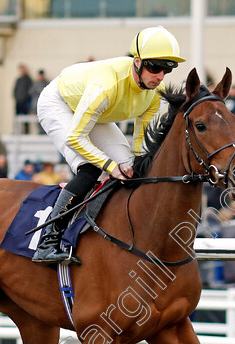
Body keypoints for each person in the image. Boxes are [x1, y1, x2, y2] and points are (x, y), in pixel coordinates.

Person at [32, 26, 184, 265]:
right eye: (155, 67)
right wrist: (109, 165)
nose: (160, 76)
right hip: (59, 103)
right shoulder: (107, 85)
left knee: (129, 168)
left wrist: (129, 165)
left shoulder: (156, 92)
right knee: (91, 169)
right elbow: (75, 138)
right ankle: (48, 241)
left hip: (95, 112)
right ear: (137, 62)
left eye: (167, 69)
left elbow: (140, 138)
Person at [13, 65, 33, 133]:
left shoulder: (28, 80)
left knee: (25, 119)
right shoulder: (18, 80)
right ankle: (16, 131)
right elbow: (15, 90)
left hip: (25, 102)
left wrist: (26, 98)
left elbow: (30, 91)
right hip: (18, 102)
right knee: (17, 118)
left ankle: (26, 132)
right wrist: (16, 97)